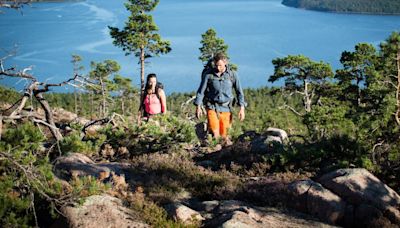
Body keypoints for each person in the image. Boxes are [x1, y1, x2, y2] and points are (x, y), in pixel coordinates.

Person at [194, 53, 246, 144]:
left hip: (226, 108)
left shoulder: (232, 75)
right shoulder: (208, 75)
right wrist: (198, 106)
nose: (218, 68)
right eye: (217, 65)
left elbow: (239, 92)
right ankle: (212, 151)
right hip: (212, 107)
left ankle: (221, 154)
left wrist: (242, 108)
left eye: (220, 66)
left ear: (225, 63)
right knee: (215, 132)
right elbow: (200, 91)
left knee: (224, 135)